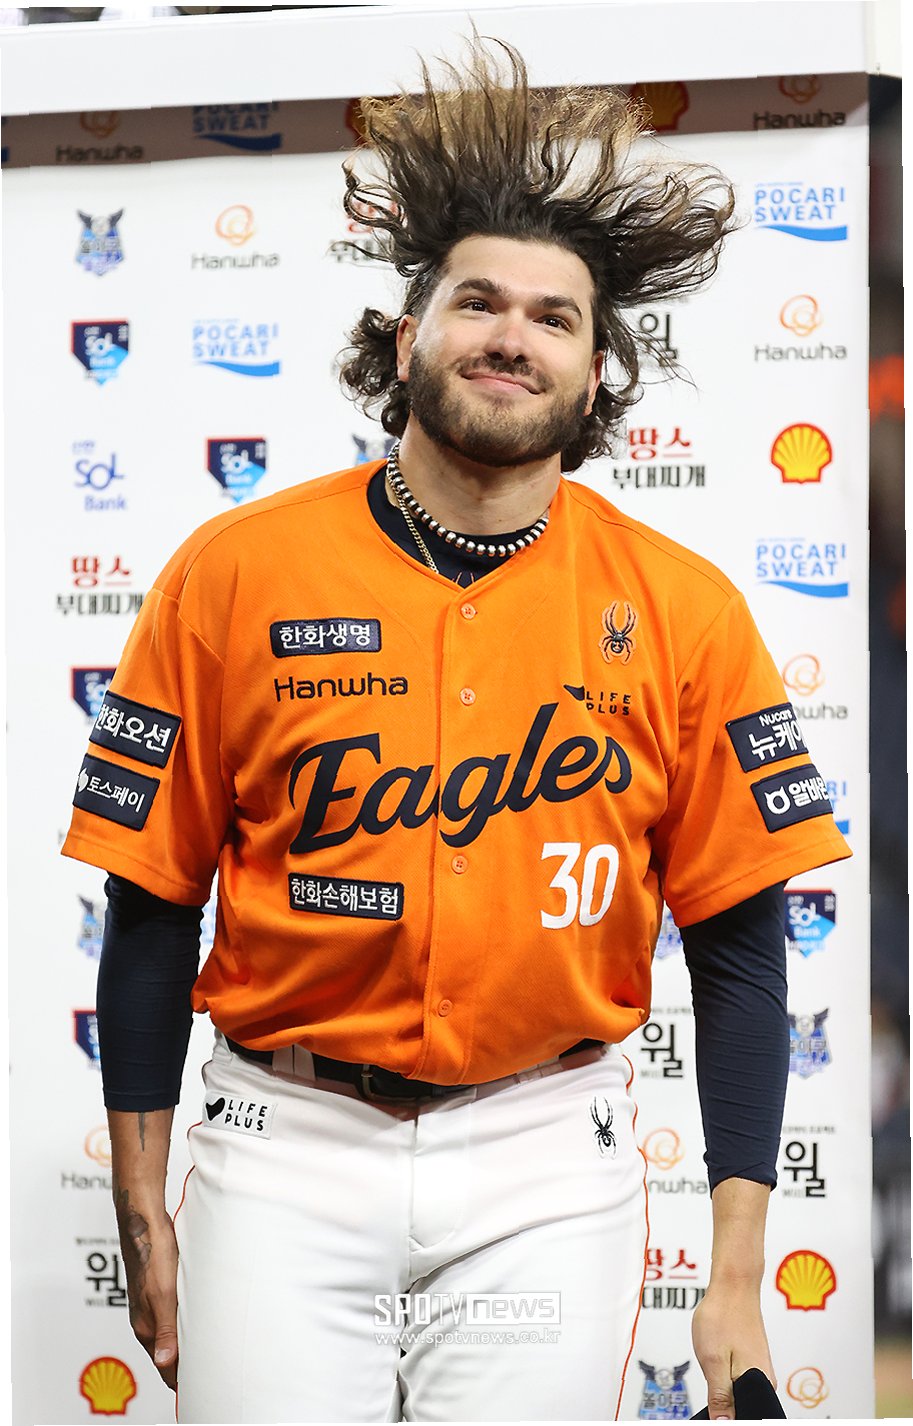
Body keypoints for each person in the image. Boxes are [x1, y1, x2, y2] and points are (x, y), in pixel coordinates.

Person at [62, 37, 851, 1424]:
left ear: (595, 374)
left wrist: (735, 1278)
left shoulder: (684, 609)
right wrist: (143, 1208)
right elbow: (148, 903)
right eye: (474, 301)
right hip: (283, 1151)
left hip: (544, 1165)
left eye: (554, 317)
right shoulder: (232, 572)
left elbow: (740, 952)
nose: (509, 334)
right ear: (404, 338)